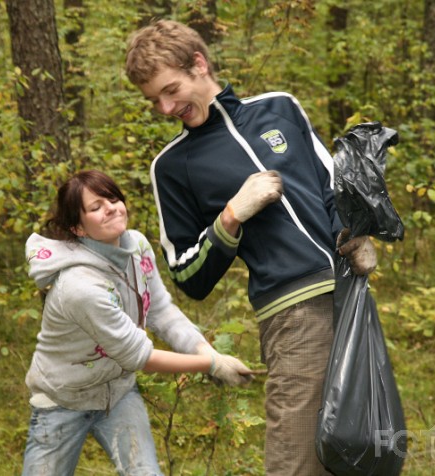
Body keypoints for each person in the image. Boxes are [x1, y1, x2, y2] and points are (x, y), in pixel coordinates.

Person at [125, 20, 377, 476]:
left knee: (364, 447)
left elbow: (332, 183)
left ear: (199, 64)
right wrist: (230, 217)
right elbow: (187, 276)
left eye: (171, 89)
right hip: (293, 315)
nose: (164, 107)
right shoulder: (171, 167)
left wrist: (353, 233)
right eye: (153, 100)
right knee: (296, 460)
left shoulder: (280, 108)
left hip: (352, 298)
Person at [21, 170, 253, 476]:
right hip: (63, 400)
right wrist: (209, 365)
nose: (111, 208)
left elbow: (160, 312)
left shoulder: (137, 247)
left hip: (119, 394)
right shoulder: (79, 287)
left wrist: (206, 352)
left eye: (113, 198)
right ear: (78, 227)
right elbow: (139, 356)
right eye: (96, 207)